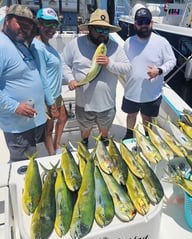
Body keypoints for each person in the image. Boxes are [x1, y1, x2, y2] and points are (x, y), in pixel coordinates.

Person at [62, 9, 131, 147]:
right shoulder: (75, 44)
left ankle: (104, 142)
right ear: (90, 28)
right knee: (85, 128)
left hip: (107, 103)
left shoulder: (115, 47)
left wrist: (109, 63)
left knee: (104, 129)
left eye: (106, 30)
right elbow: (63, 63)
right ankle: (85, 142)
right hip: (84, 102)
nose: (102, 33)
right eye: (99, 28)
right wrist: (71, 79)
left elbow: (127, 67)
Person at [0, 4, 56, 162]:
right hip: (18, 127)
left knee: (33, 160)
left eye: (29, 25)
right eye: (20, 23)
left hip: (31, 122)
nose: (24, 28)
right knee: (25, 169)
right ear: (7, 21)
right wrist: (15, 106)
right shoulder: (2, 45)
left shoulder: (19, 43)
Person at [121, 7, 176, 140]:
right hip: (131, 90)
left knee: (147, 116)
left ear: (152, 23)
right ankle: (129, 134)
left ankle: (147, 136)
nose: (144, 25)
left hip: (151, 92)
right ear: (135, 25)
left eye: (146, 21)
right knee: (131, 114)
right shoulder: (128, 42)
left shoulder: (161, 42)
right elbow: (121, 62)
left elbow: (172, 60)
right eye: (140, 22)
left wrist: (159, 71)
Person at [32, 8, 68, 155]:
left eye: (54, 25)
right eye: (47, 24)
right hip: (48, 97)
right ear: (39, 24)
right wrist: (51, 104)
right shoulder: (38, 46)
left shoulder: (47, 44)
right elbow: (42, 77)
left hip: (56, 93)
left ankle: (57, 144)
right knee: (49, 128)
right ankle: (52, 155)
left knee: (64, 117)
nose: (51, 29)